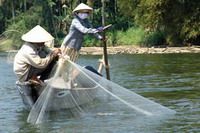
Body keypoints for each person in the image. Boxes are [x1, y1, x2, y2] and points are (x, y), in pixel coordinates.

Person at [13, 25, 61, 109]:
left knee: (49, 57)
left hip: (30, 69)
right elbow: (41, 64)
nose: (43, 42)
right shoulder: (28, 50)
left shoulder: (37, 45)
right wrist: (53, 54)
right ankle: (33, 78)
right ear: (36, 41)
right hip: (25, 73)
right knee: (51, 62)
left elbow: (46, 49)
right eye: (42, 41)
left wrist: (54, 51)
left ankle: (37, 79)